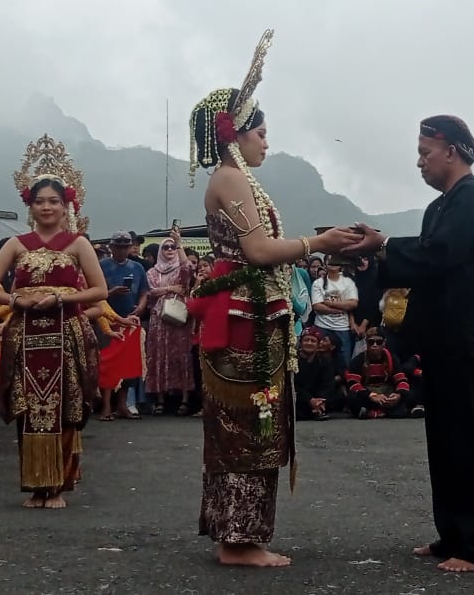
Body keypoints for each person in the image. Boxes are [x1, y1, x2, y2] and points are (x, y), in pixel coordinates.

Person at [186, 31, 359, 568]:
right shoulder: (233, 181)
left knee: (251, 421)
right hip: (246, 322)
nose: (267, 142)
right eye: (261, 132)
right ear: (236, 136)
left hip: (254, 315)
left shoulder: (236, 180)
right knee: (248, 423)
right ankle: (238, 540)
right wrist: (319, 243)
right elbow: (259, 250)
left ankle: (237, 534)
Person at [348, 115, 474, 573]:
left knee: (472, 441)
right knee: (444, 441)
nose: (419, 162)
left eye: (425, 153)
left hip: (468, 340)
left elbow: (440, 255)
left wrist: (385, 245)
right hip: (443, 341)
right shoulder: (440, 207)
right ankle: (452, 534)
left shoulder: (472, 197)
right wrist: (372, 257)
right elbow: (420, 267)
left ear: (451, 150)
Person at [0, 135, 104, 510]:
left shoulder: (78, 244)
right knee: (30, 405)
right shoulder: (16, 244)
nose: (46, 207)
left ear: (67, 206)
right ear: (29, 206)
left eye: (54, 201)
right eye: (39, 201)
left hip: (66, 333)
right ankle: (35, 483)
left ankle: (60, 483)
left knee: (65, 404)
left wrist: (61, 298)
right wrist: (16, 300)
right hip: (26, 335)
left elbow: (99, 290)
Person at [146, 230, 195, 416]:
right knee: (159, 355)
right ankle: (160, 399)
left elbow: (189, 268)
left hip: (178, 317)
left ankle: (184, 399)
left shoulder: (180, 268)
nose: (169, 249)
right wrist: (170, 288)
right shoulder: (152, 271)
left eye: (172, 247)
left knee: (181, 355)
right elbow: (151, 291)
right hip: (159, 318)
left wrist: (179, 242)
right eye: (165, 247)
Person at [100, 231, 149, 416]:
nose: (122, 250)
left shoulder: (137, 267)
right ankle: (106, 405)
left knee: (128, 365)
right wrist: (111, 292)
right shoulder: (102, 265)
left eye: (125, 246)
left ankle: (122, 404)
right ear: (111, 247)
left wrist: (141, 308)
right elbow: (96, 293)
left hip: (132, 318)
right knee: (107, 363)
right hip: (108, 319)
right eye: (118, 246)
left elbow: (145, 291)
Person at [345, 327, 416, 419]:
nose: (374, 345)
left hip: (387, 394)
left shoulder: (392, 359)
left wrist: (398, 394)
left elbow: (401, 380)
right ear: (366, 343)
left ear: (384, 343)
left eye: (378, 342)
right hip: (368, 395)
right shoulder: (358, 360)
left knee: (410, 393)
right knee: (351, 397)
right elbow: (353, 384)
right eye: (371, 342)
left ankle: (373, 412)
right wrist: (372, 396)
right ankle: (393, 412)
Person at [310, 257, 359, 369]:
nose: (332, 264)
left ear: (340, 266)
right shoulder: (318, 283)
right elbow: (317, 306)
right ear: (326, 264)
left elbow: (353, 304)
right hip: (322, 326)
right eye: (330, 262)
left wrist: (329, 303)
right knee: (319, 360)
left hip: (342, 327)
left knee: (345, 362)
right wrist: (341, 307)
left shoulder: (349, 282)